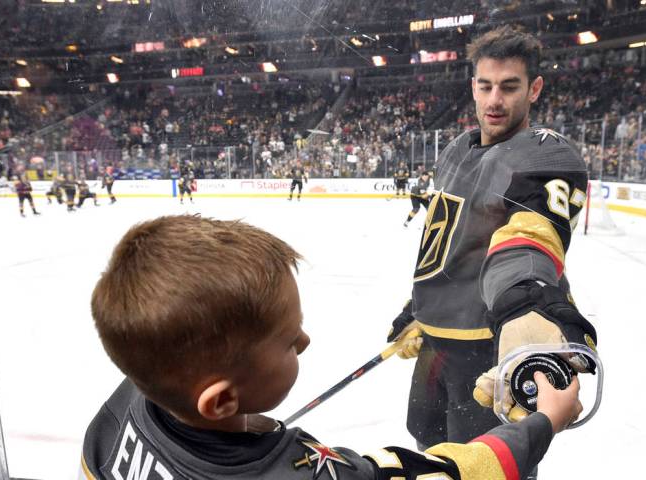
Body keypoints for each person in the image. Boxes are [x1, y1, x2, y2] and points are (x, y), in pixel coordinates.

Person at [80, 215, 583, 480]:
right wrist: (544, 422)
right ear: (220, 400)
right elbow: (453, 474)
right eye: (287, 342)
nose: (305, 339)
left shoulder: (121, 412)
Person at [386, 25, 598, 458]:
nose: (495, 100)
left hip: (492, 349)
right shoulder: (455, 152)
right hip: (435, 344)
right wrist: (419, 308)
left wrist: (526, 307)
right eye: (485, 86)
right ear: (473, 87)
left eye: (509, 86)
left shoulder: (545, 156)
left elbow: (527, 241)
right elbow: (445, 243)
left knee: (490, 465)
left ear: (534, 88)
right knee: (426, 453)